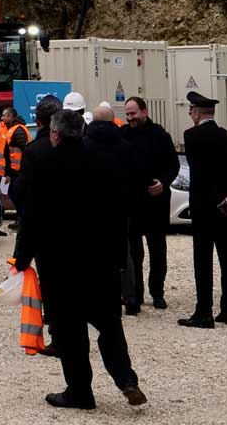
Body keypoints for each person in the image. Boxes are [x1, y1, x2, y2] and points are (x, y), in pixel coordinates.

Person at [12, 109, 146, 410]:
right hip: (101, 261)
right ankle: (126, 378)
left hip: (60, 262)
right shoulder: (102, 159)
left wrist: (22, 257)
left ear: (55, 133)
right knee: (109, 324)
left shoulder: (41, 159)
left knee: (70, 331)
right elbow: (117, 210)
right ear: (82, 132)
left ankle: (80, 392)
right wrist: (119, 257)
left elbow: (32, 213)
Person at [179, 90, 227, 328]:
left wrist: (213, 197)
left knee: (203, 259)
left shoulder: (192, 135)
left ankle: (203, 311)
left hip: (204, 206)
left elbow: (201, 173)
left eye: (190, 110)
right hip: (225, 207)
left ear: (196, 113)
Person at [121, 95, 178, 314]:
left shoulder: (160, 135)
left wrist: (163, 182)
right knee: (134, 252)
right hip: (132, 203)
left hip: (155, 202)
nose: (130, 118)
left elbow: (172, 165)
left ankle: (158, 293)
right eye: (127, 114)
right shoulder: (124, 134)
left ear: (144, 112)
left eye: (133, 113)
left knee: (157, 250)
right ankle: (136, 293)